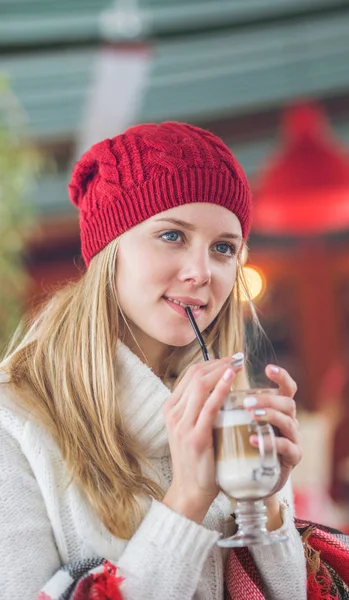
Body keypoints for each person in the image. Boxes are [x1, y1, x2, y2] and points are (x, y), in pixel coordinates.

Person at [0, 122, 306, 599]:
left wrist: (264, 504)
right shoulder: (14, 422)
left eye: (224, 248)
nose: (201, 273)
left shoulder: (233, 411)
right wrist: (187, 499)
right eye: (172, 236)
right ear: (108, 250)